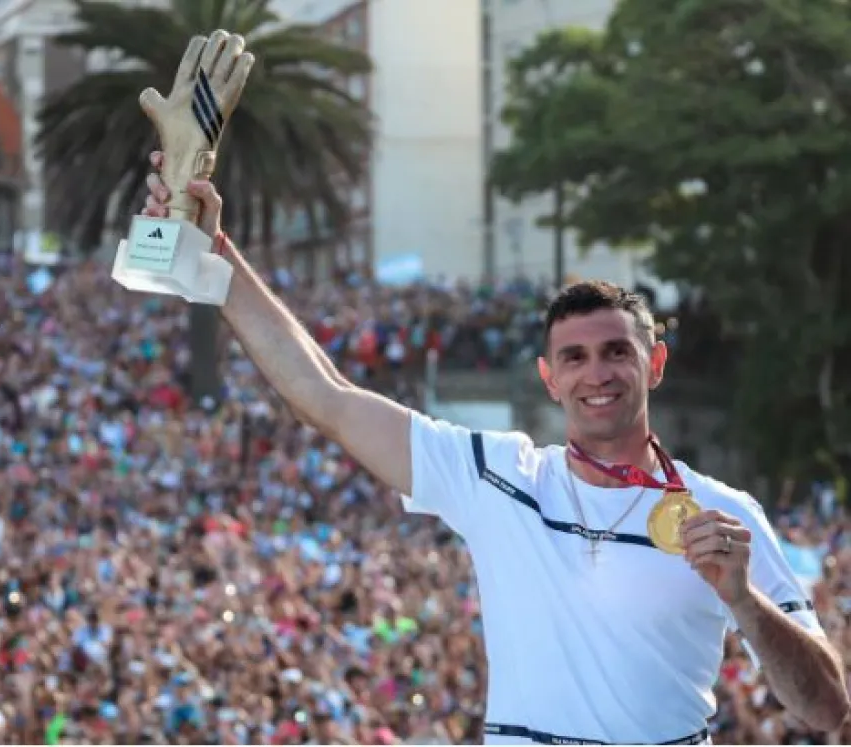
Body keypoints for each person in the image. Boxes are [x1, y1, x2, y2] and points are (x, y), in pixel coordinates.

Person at [139, 156, 850, 745]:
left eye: (615, 353)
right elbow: (324, 397)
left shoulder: (725, 514)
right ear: (548, 377)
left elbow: (827, 710)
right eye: (572, 358)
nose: (595, 373)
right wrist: (220, 259)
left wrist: (744, 599)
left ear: (654, 363)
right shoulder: (498, 474)